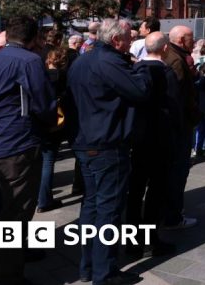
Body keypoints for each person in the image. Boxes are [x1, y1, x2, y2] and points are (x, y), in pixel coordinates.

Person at [0, 17, 56, 285]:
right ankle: (6, 274)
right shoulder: (28, 61)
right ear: (31, 38)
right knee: (15, 213)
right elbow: (43, 103)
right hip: (14, 144)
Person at [67, 18, 151, 285]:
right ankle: (105, 273)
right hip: (106, 144)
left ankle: (89, 266)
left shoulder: (83, 60)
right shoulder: (109, 61)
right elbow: (140, 91)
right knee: (109, 211)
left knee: (91, 207)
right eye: (128, 39)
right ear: (116, 40)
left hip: (86, 141)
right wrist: (143, 69)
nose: (130, 44)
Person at [127, 32, 179, 258]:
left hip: (137, 137)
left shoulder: (133, 71)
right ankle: (150, 238)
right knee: (156, 189)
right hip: (159, 137)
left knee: (135, 188)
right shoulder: (166, 73)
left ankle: (132, 240)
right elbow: (174, 106)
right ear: (165, 48)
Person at [163, 25, 200, 229]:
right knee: (177, 171)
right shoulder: (176, 60)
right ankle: (173, 215)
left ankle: (170, 211)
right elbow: (178, 95)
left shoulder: (170, 54)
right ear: (180, 40)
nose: (193, 42)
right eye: (190, 38)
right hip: (179, 124)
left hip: (174, 124)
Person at [37, 47, 69, 213]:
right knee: (48, 160)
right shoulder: (65, 77)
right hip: (56, 122)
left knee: (40, 161)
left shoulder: (40, 76)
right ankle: (44, 200)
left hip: (40, 121)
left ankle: (39, 196)